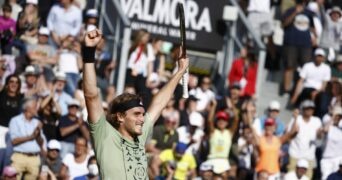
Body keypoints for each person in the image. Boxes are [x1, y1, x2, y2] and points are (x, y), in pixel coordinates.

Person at [82, 29, 188, 179]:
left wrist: (180, 71)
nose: (142, 118)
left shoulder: (140, 133)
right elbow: (91, 96)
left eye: (142, 114)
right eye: (136, 114)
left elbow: (159, 103)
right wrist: (88, 52)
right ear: (120, 116)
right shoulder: (104, 135)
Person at [251, 112, 299, 180]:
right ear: (264, 127)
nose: (269, 127)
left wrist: (295, 118)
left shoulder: (278, 140)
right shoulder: (260, 139)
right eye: (267, 125)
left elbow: (293, 131)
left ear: (275, 128)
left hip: (274, 174)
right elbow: (252, 129)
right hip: (261, 173)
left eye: (271, 125)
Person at [9, 98, 46, 180]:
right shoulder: (15, 120)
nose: (37, 108)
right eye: (35, 106)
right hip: (19, 156)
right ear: (27, 108)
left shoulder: (37, 123)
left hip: (34, 158)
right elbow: (14, 141)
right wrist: (31, 137)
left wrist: (38, 133)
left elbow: (41, 143)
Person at [287, 100, 324, 179]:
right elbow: (289, 135)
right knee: (290, 177)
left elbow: (319, 139)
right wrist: (295, 118)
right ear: (302, 109)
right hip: (295, 155)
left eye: (312, 108)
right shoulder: (297, 119)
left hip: (309, 157)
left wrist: (320, 133)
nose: (310, 110)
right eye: (307, 108)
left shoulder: (317, 121)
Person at [320, 106, 342, 179]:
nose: (338, 118)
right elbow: (325, 130)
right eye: (337, 116)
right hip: (327, 158)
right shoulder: (329, 127)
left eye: (340, 116)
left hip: (338, 159)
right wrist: (333, 117)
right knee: (325, 177)